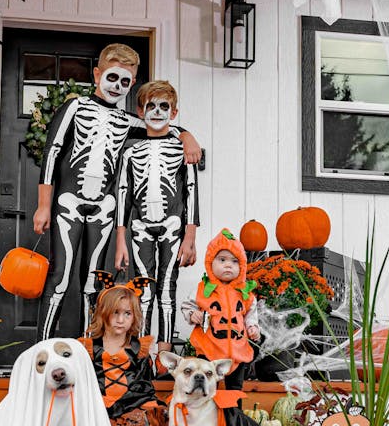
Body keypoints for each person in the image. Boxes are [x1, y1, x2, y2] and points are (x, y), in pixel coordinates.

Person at [34, 44, 200, 339]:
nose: (118, 86)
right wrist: (44, 205)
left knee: (93, 282)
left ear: (132, 83)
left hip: (104, 209)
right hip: (68, 202)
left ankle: (87, 350)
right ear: (97, 74)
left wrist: (188, 136)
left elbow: (163, 127)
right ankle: (42, 351)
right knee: (59, 276)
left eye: (125, 81)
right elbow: (53, 151)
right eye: (112, 77)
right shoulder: (75, 107)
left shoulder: (129, 121)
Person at [114, 79, 199, 352]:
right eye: (151, 106)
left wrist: (190, 236)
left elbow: (192, 193)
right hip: (139, 227)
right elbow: (123, 196)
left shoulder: (183, 150)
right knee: (143, 288)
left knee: (166, 287)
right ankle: (141, 349)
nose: (158, 111)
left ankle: (164, 351)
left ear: (174, 114)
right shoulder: (131, 151)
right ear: (141, 112)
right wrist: (120, 240)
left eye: (165, 106)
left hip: (173, 224)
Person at [83, 284, 175, 426]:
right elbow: (86, 382)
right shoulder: (89, 349)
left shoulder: (138, 349)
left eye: (127, 314)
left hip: (133, 401)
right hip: (101, 402)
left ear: (135, 318)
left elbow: (143, 384)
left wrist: (127, 404)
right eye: (115, 313)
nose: (120, 319)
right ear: (102, 313)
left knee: (138, 422)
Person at [183, 228, 261, 398]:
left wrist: (252, 327)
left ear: (242, 266)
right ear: (210, 263)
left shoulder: (244, 293)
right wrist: (192, 314)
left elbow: (250, 313)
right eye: (222, 260)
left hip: (237, 350)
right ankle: (210, 417)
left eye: (234, 261)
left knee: (235, 390)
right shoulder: (203, 290)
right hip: (210, 348)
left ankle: (233, 418)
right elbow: (186, 305)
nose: (228, 265)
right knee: (209, 389)